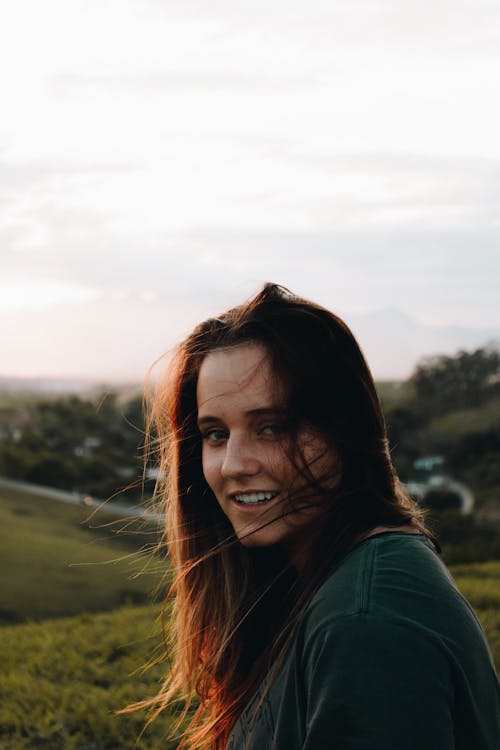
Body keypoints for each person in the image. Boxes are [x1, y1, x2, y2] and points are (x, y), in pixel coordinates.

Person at [139, 283, 500, 749]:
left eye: (272, 427)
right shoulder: (315, 582)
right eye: (215, 434)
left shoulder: (366, 624)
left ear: (344, 430)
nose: (233, 464)